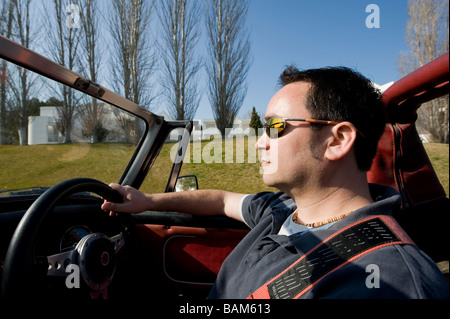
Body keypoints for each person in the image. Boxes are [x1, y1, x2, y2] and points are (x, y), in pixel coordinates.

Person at [102, 66, 449, 299]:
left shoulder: (389, 281)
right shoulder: (282, 208)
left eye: (276, 127)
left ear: (337, 140)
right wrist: (147, 202)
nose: (259, 142)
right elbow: (221, 200)